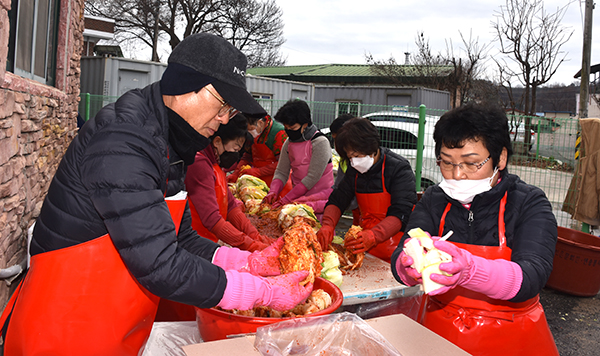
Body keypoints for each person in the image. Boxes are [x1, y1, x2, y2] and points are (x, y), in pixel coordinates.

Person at [0, 33, 312, 355]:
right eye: (223, 106)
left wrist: (249, 262)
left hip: (112, 327)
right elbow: (161, 263)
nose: (223, 120)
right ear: (186, 86)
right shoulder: (124, 141)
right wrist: (260, 292)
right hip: (63, 332)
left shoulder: (168, 142)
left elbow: (181, 239)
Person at [391, 104, 559, 355]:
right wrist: (404, 267)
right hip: (440, 333)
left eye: (471, 163)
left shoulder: (528, 202)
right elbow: (403, 250)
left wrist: (470, 271)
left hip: (514, 337)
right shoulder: (434, 199)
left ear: (500, 158)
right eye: (446, 163)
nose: (457, 175)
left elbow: (532, 275)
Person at [316, 118, 417, 262]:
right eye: (350, 157)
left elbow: (401, 212)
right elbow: (339, 198)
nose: (354, 162)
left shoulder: (398, 168)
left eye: (357, 156)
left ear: (371, 148)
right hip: (363, 246)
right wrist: (327, 224)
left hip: (395, 250)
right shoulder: (354, 169)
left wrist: (374, 235)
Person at [186, 113, 269, 251]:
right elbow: (212, 219)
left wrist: (254, 234)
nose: (236, 154)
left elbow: (230, 205)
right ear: (217, 141)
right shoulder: (199, 164)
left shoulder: (216, 162)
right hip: (193, 244)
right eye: (235, 148)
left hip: (208, 241)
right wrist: (250, 245)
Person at [261, 99, 334, 215]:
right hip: (298, 198)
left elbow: (311, 178)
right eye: (286, 128)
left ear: (305, 124)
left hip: (320, 200)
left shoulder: (320, 142)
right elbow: (281, 172)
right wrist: (273, 191)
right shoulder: (289, 143)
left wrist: (287, 199)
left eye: (293, 128)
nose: (289, 132)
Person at [227, 114, 288, 188]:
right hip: (257, 181)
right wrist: (236, 174)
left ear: (260, 123)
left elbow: (284, 164)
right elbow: (247, 156)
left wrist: (259, 171)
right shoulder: (251, 135)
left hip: (277, 181)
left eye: (251, 129)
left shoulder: (279, 133)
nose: (249, 132)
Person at [329, 113, 360, 225]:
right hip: (357, 215)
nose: (336, 145)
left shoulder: (363, 161)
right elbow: (339, 189)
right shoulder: (344, 160)